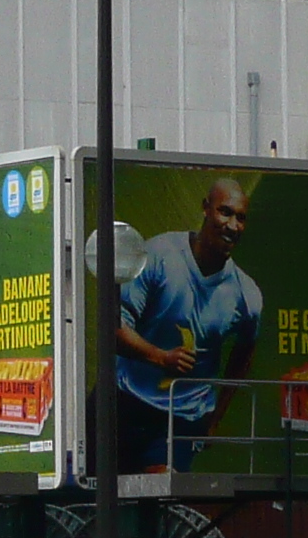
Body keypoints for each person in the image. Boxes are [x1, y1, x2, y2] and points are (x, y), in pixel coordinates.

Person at [114, 177, 267, 474]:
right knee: (97, 501)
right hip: (125, 400)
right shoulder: (158, 255)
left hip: (181, 417)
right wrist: (161, 357)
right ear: (205, 209)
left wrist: (216, 418)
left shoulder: (246, 295)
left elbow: (244, 354)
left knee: (159, 495)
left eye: (241, 218)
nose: (232, 225)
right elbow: (115, 328)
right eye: (225, 212)